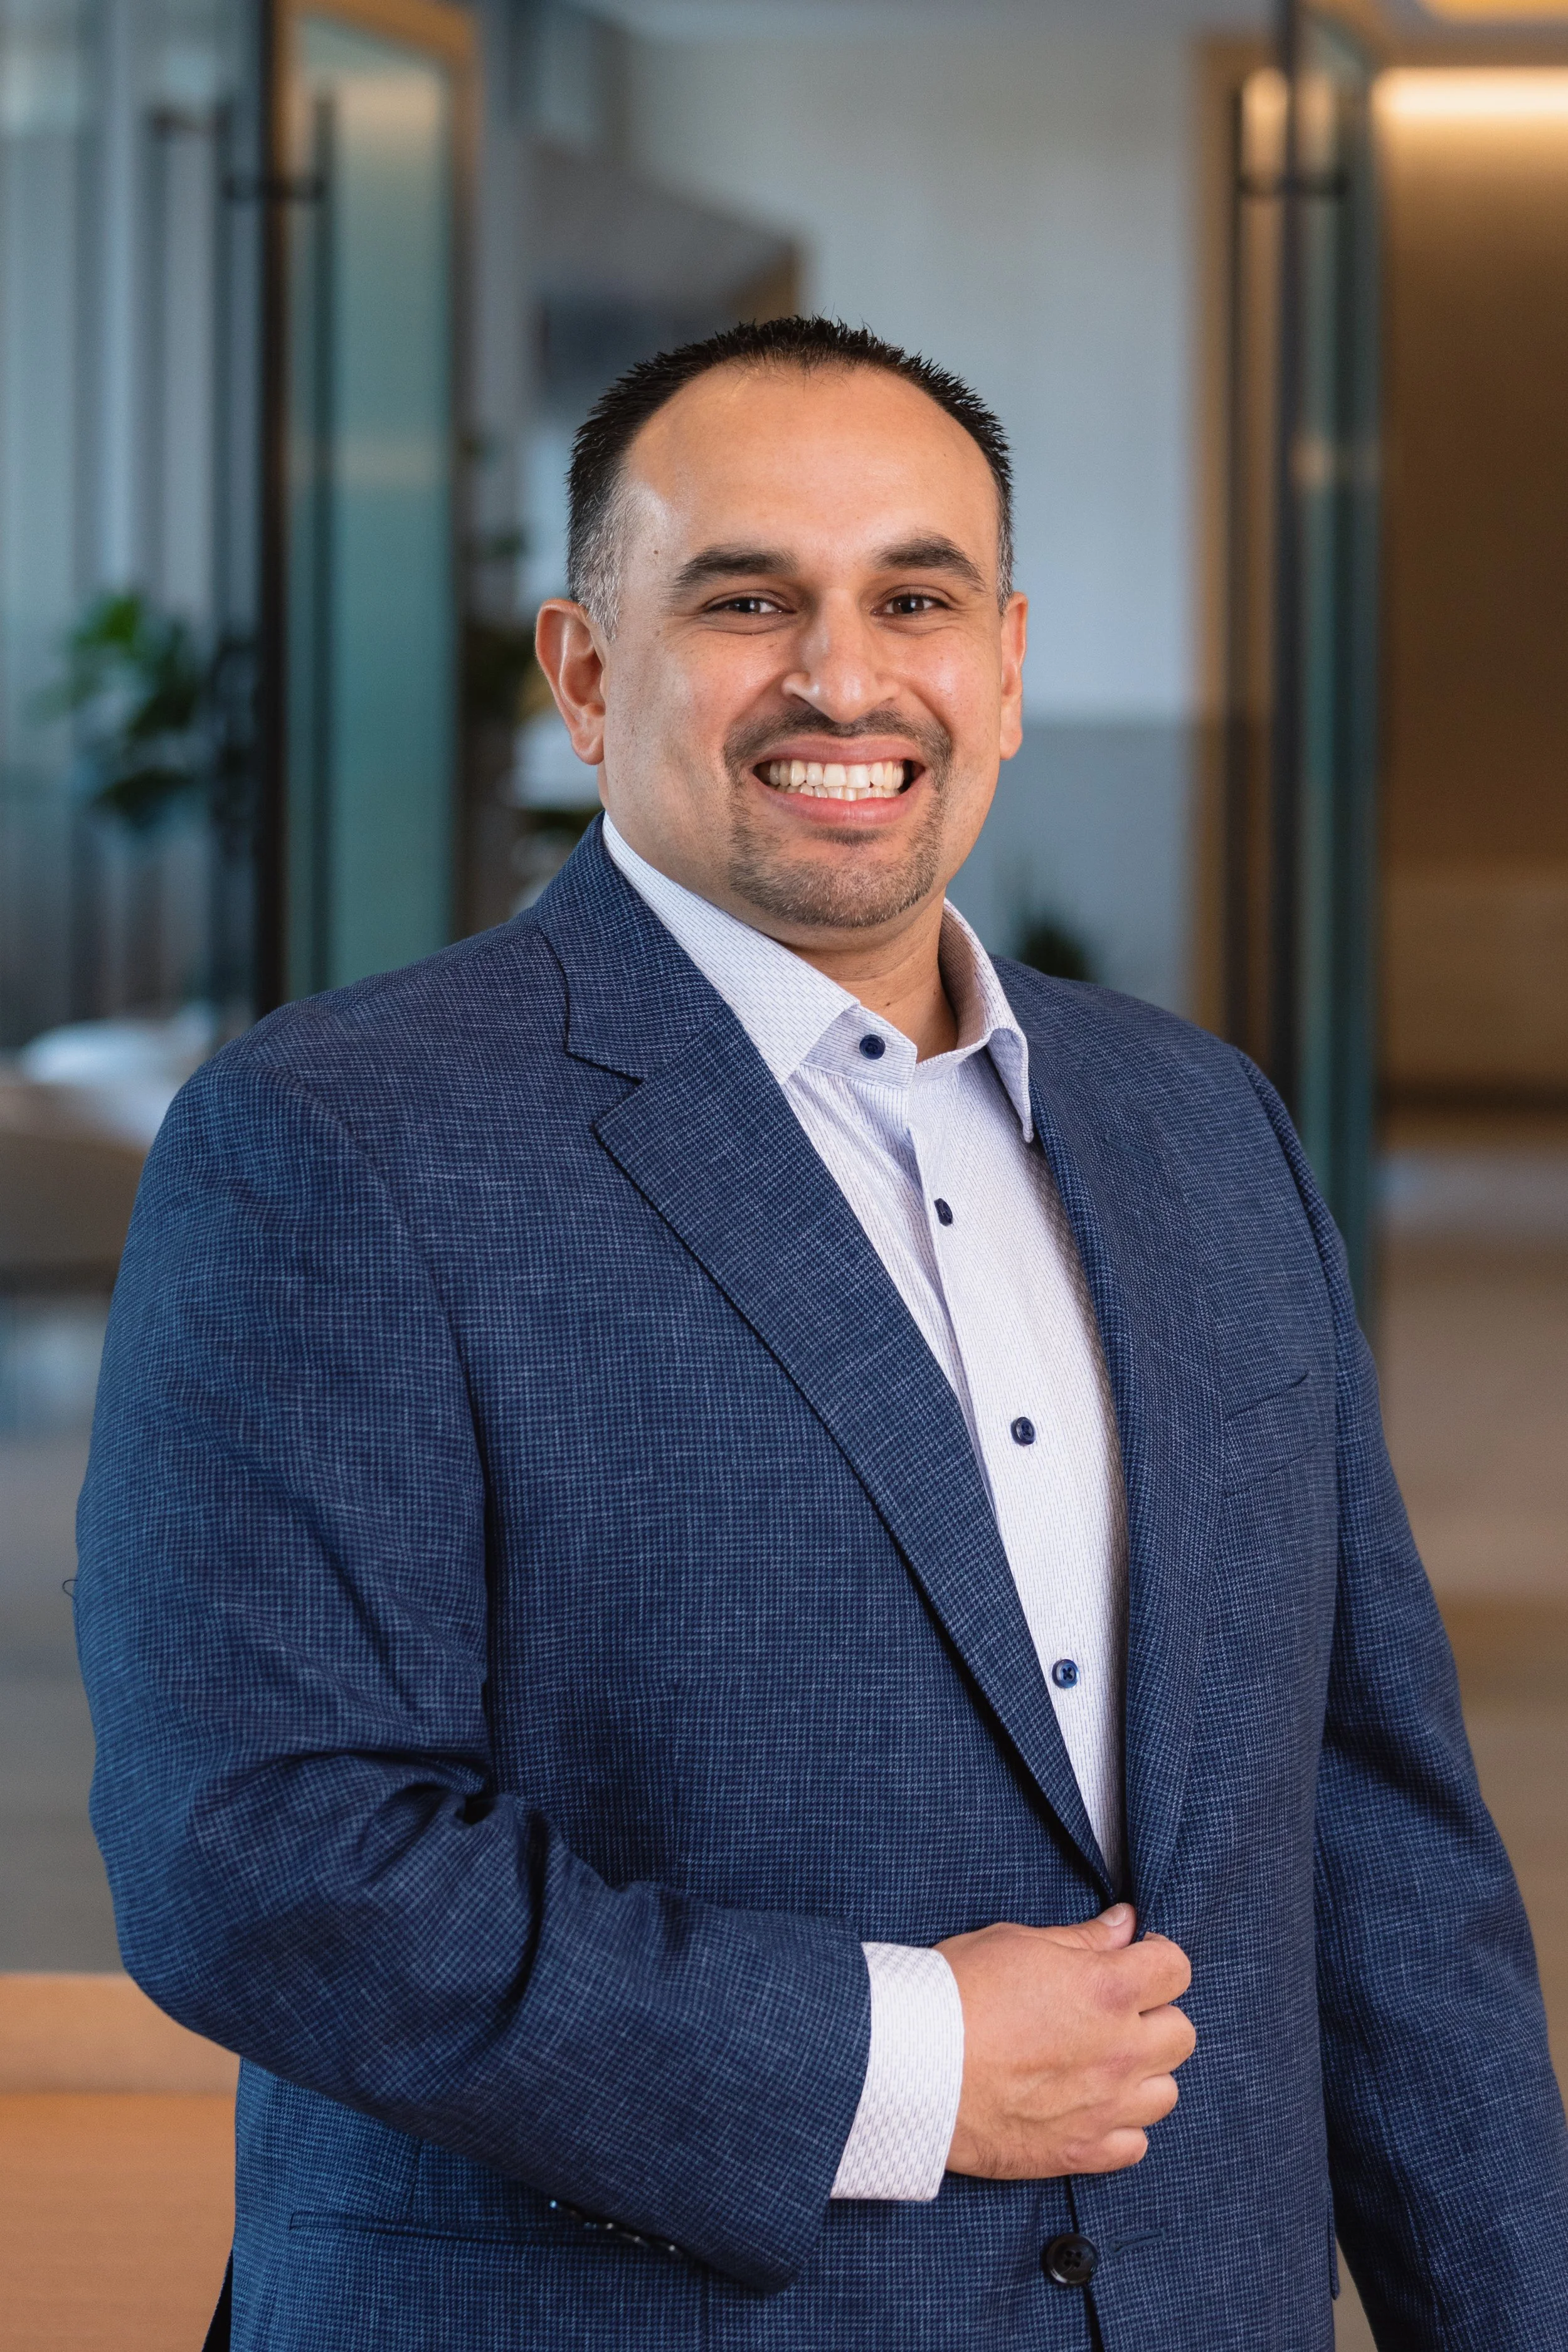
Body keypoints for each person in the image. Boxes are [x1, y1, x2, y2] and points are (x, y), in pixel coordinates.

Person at [77, 316, 1566, 2352]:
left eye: (915, 597)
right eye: (746, 597)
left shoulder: (1197, 1121)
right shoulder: (337, 1139)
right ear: (585, 675)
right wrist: (908, 2054)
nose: (843, 677)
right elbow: (255, 1850)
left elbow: (1371, 1839)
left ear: (1012, 665)